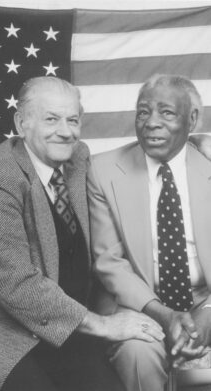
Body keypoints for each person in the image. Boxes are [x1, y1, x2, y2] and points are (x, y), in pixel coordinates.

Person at [0, 76, 164, 391]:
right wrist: (105, 325)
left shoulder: (76, 156)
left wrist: (195, 144)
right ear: (22, 122)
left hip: (62, 329)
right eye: (51, 119)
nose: (65, 131)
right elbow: (19, 285)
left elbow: (119, 165)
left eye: (73, 120)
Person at [87, 74, 211, 391]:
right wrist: (164, 315)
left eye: (166, 112)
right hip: (140, 303)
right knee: (137, 351)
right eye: (143, 112)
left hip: (205, 299)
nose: (151, 122)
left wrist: (208, 312)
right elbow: (109, 261)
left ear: (192, 118)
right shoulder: (103, 171)